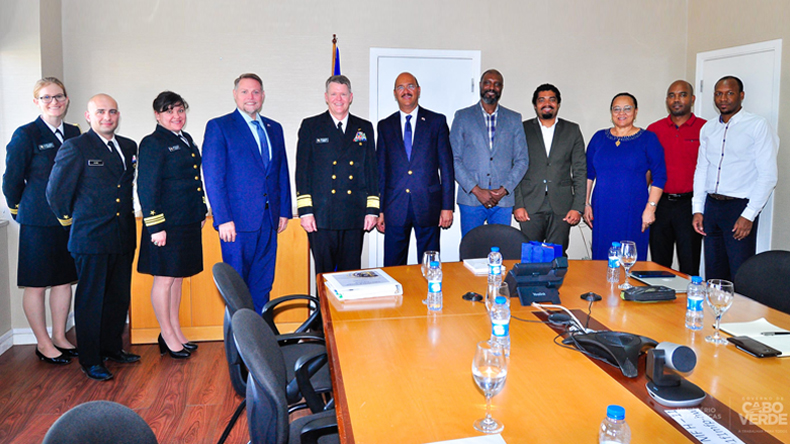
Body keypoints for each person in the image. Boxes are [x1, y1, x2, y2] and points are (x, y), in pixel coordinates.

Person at [46, 94, 139, 381]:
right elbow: (56, 193)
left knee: (117, 297)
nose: (107, 117)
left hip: (123, 235)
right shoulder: (76, 147)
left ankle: (112, 348)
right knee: (91, 301)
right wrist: (72, 222)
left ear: (118, 115)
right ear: (88, 116)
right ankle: (91, 359)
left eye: (112, 112)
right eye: (100, 112)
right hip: (91, 237)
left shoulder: (128, 146)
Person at [2, 78, 79, 365]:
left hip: (67, 220)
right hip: (37, 220)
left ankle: (59, 337)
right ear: (36, 102)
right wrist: (19, 211)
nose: (53, 102)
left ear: (66, 100)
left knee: (63, 281)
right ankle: (43, 343)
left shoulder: (74, 133)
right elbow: (11, 180)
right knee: (36, 284)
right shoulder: (26, 134)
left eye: (58, 96)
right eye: (46, 97)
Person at [203, 73, 291, 314]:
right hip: (236, 224)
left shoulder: (274, 128)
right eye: (244, 91)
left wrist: (284, 211)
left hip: (269, 221)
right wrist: (223, 218)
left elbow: (281, 171)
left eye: (255, 92)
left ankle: (259, 335)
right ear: (235, 95)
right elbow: (214, 178)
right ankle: (238, 337)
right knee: (236, 289)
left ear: (263, 96)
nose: (250, 96)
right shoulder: (219, 127)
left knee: (263, 284)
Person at [137, 92, 207, 359]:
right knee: (164, 279)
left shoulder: (185, 139)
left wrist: (200, 210)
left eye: (180, 110)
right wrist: (155, 226)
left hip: (186, 220)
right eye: (169, 111)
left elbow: (194, 179)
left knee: (177, 277)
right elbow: (147, 187)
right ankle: (166, 333)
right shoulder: (153, 143)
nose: (176, 116)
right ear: (157, 115)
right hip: (166, 224)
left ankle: (175, 329)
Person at [692, 76, 778, 281]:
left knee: (740, 274)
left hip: (738, 208)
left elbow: (768, 175)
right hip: (711, 207)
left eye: (729, 93)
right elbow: (702, 169)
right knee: (713, 273)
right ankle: (715, 304)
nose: (723, 98)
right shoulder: (708, 128)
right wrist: (698, 209)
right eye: (719, 94)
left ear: (741, 95)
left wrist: (749, 214)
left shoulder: (757, 125)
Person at [296, 75, 378, 274]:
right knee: (323, 275)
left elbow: (371, 170)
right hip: (322, 215)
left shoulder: (364, 127)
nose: (338, 99)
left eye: (343, 94)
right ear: (326, 97)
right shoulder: (311, 126)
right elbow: (302, 171)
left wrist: (372, 210)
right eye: (334, 94)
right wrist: (305, 211)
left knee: (351, 275)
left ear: (351, 97)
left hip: (354, 214)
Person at [376, 72, 454, 266]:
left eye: (410, 86)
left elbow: (446, 168)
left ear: (418, 90)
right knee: (393, 266)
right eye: (400, 87)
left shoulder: (436, 122)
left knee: (430, 265)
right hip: (394, 207)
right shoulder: (385, 126)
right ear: (395, 93)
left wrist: (447, 207)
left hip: (428, 206)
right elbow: (381, 171)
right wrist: (380, 210)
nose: (406, 91)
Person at [583, 92, 666, 261]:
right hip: (602, 209)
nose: (622, 113)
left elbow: (660, 175)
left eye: (627, 108)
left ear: (636, 111)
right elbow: (588, 174)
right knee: (601, 257)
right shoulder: (599, 138)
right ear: (611, 112)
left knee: (630, 259)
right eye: (617, 109)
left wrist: (651, 208)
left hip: (634, 210)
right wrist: (585, 204)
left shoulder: (648, 139)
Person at [450, 69, 528, 237]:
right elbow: (453, 159)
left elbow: (522, 160)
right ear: (480, 85)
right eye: (487, 83)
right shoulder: (463, 117)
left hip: (503, 201)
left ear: (501, 88)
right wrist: (477, 190)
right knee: (471, 248)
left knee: (500, 248)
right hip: (471, 198)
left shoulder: (514, 119)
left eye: (497, 84)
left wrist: (504, 190)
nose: (492, 87)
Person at [513, 84, 586, 255]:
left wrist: (578, 207)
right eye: (541, 100)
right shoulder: (522, 129)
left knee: (557, 255)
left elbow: (580, 170)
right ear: (535, 105)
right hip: (530, 204)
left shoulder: (572, 130)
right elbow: (514, 168)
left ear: (558, 104)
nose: (547, 103)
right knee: (532, 255)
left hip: (562, 205)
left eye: (552, 99)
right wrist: (518, 204)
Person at [647, 81, 706, 276]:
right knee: (658, 265)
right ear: (667, 100)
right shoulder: (654, 130)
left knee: (689, 263)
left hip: (690, 206)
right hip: (660, 204)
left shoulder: (705, 128)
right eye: (672, 95)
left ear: (692, 99)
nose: (677, 99)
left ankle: (689, 296)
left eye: (682, 94)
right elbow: (646, 169)